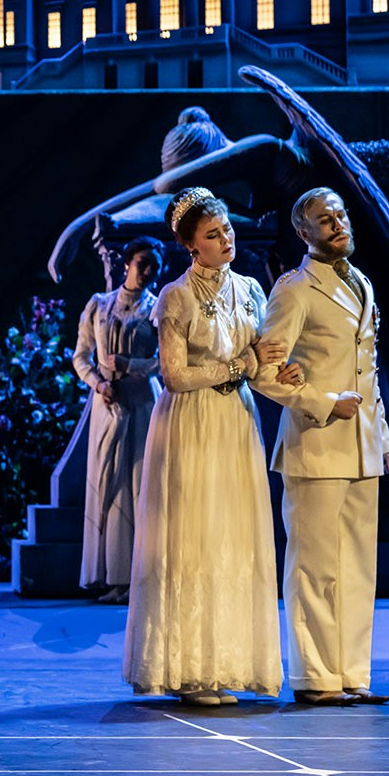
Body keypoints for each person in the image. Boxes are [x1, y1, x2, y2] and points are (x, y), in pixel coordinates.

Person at [123, 188, 295, 706]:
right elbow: (175, 376)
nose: (227, 239)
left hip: (235, 421)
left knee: (232, 537)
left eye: (227, 230)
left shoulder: (249, 288)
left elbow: (263, 361)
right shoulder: (175, 297)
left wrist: (288, 376)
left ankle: (227, 663)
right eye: (213, 234)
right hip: (191, 425)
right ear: (191, 246)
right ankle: (192, 671)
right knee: (194, 538)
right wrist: (240, 365)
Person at [253, 188, 389, 706]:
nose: (335, 223)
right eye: (322, 218)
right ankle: (315, 677)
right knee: (314, 565)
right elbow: (265, 372)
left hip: (361, 447)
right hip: (315, 446)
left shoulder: (362, 283)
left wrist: (382, 440)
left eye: (339, 214)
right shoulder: (294, 289)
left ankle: (352, 674)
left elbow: (370, 373)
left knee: (358, 565)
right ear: (303, 232)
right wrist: (322, 400)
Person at [73, 236, 163, 603]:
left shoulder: (157, 310)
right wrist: (97, 383)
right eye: (142, 263)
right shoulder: (99, 305)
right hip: (107, 405)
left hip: (142, 402)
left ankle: (138, 580)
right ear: (127, 263)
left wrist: (130, 367)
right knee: (109, 485)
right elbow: (81, 356)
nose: (146, 272)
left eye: (154, 267)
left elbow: (165, 362)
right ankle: (111, 577)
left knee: (140, 486)